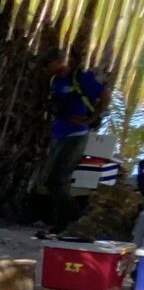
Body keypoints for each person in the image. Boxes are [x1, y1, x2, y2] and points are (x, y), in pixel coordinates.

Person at [35, 51, 106, 236]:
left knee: (57, 180)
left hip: (76, 134)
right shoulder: (55, 81)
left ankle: (78, 219)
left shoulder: (81, 78)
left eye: (49, 63)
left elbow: (105, 96)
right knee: (55, 182)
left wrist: (90, 119)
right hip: (58, 134)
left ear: (60, 61)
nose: (47, 68)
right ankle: (62, 224)